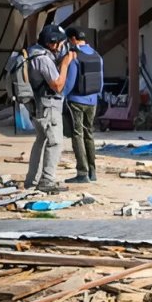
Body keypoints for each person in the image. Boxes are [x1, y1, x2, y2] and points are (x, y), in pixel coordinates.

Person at [24, 24, 73, 194]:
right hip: (47, 106)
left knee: (41, 140)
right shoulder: (43, 59)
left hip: (36, 105)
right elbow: (58, 85)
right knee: (55, 142)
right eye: (61, 43)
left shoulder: (33, 52)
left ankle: (32, 180)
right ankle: (47, 181)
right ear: (52, 43)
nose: (62, 46)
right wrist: (65, 64)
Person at [61, 27, 103, 184]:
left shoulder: (74, 56)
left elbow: (70, 82)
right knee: (89, 134)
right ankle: (93, 172)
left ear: (72, 39)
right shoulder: (97, 56)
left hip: (76, 101)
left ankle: (82, 173)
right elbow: (101, 81)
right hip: (93, 100)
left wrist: (61, 95)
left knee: (77, 135)